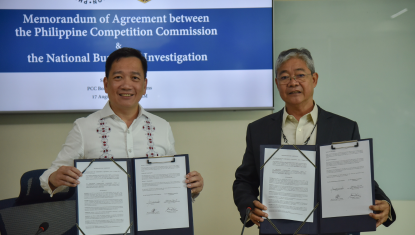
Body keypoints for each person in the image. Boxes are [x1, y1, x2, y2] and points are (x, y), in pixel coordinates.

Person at [232, 48, 395, 234]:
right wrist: (249, 207)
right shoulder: (258, 129)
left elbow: (358, 178)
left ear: (314, 79)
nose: (293, 82)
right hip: (279, 229)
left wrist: (386, 204)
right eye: (284, 77)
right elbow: (244, 180)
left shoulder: (344, 128)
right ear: (277, 84)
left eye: (300, 75)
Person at [40, 47, 204, 198]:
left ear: (144, 85)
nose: (126, 85)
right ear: (106, 84)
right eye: (118, 77)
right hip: (103, 225)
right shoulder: (84, 127)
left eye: (135, 77)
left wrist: (191, 186)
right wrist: (54, 178)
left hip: (154, 225)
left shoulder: (162, 126)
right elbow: (50, 175)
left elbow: (173, 180)